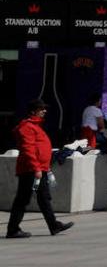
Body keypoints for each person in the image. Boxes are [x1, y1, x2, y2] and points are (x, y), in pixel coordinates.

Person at [6, 98, 73, 239]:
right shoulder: (27, 127)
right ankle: (13, 229)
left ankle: (53, 225)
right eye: (41, 108)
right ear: (33, 111)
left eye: (44, 108)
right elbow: (28, 150)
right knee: (23, 199)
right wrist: (36, 168)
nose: (44, 111)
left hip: (38, 168)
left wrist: (43, 167)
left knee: (43, 198)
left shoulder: (35, 126)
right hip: (30, 170)